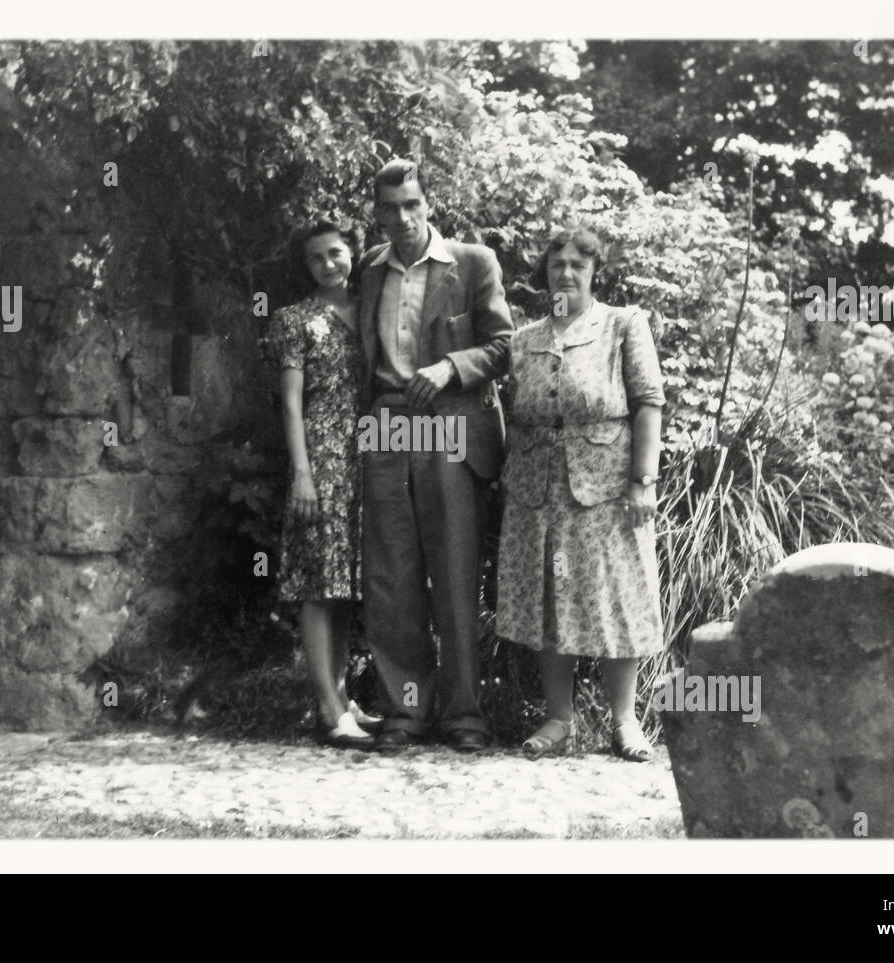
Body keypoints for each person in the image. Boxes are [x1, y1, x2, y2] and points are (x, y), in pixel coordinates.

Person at [357, 159, 514, 753]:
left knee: (453, 572)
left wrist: (452, 366)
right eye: (390, 208)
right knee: (392, 573)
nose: (402, 218)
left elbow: (503, 346)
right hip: (388, 422)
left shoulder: (473, 263)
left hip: (449, 422)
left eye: (412, 205)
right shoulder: (370, 269)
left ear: (429, 205)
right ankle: (406, 709)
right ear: (376, 213)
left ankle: (464, 715)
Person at [495, 226, 667, 761]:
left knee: (614, 599)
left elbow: (648, 403)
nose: (566, 273)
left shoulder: (622, 325)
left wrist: (643, 481)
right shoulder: (524, 340)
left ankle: (624, 722)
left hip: (608, 491)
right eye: (556, 265)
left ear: (595, 272)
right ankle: (559, 719)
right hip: (537, 493)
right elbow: (515, 416)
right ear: (545, 274)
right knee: (550, 600)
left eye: (577, 265)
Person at [266, 218, 379, 748]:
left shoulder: (370, 310)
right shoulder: (293, 320)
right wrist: (302, 475)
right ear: (306, 267)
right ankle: (329, 708)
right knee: (317, 583)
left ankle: (340, 695)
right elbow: (290, 403)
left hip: (365, 459)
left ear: (352, 252)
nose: (329, 264)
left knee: (346, 585)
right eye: (317, 258)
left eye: (336, 253)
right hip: (321, 458)